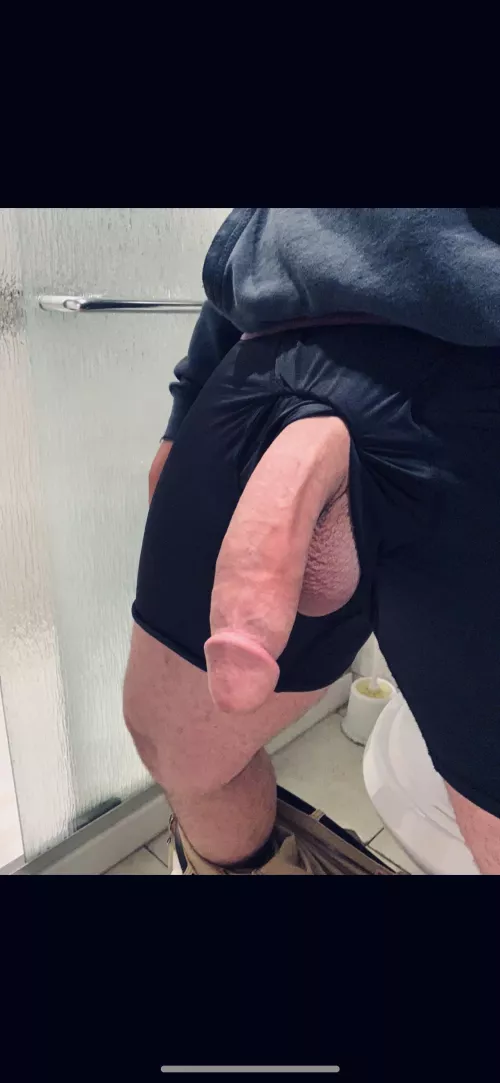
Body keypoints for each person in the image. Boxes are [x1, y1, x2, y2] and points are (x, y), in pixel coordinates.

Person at [123, 209, 500, 875]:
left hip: (433, 367)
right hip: (280, 345)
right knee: (176, 745)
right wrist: (195, 387)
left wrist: (196, 388)